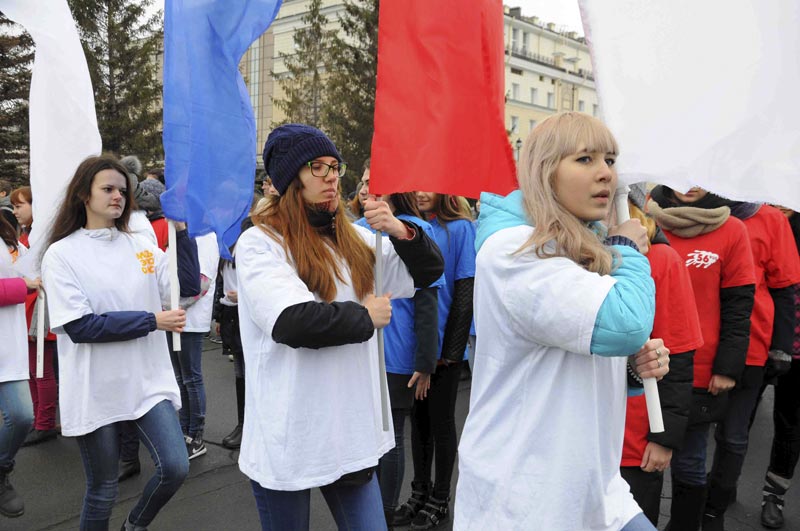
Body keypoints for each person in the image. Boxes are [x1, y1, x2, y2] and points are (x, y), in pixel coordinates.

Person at [455, 112, 669, 531]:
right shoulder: (514, 251)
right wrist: (625, 247)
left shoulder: (582, 244)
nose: (606, 173)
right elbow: (625, 322)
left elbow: (573, 349)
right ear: (544, 171)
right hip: (527, 497)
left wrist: (629, 367)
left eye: (610, 159)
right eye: (585, 159)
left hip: (594, 488)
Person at [236, 124, 444, 531]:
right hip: (290, 432)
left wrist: (402, 231)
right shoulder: (261, 243)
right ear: (288, 178)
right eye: (317, 167)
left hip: (349, 433)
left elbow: (427, 273)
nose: (332, 175)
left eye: (335, 166)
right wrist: (365, 318)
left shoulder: (355, 241)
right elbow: (292, 322)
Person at [41, 155, 201, 530]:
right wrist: (152, 321)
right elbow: (81, 327)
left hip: (147, 382)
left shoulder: (140, 245)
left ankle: (135, 525)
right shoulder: (62, 254)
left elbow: (186, 288)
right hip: (95, 387)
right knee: (103, 489)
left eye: (123, 190)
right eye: (108, 189)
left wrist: (181, 230)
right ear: (83, 194)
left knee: (175, 467)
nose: (118, 196)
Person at [647, 185, 756, 531]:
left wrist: (727, 367)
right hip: (641, 366)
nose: (688, 186)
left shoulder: (732, 230)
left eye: (697, 178)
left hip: (697, 367)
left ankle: (684, 525)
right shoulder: (643, 221)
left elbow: (739, 305)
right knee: (641, 460)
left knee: (690, 462)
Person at [354, 192, 443, 525]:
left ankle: (385, 512)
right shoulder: (355, 229)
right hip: (362, 348)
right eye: (363, 183)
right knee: (366, 433)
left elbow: (427, 297)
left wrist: (425, 361)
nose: (365, 190)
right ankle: (366, 511)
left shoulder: (416, 230)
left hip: (398, 350)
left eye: (375, 186)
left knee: (391, 435)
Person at [620, 193, 704, 527]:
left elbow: (680, 355)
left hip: (636, 439)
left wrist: (663, 439)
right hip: (581, 438)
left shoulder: (662, 260)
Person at [399, 191, 475, 530]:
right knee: (419, 422)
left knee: (441, 421)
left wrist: (448, 353)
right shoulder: (414, 227)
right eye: (416, 186)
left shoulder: (459, 229)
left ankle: (441, 498)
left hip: (445, 349)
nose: (421, 192)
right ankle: (420, 492)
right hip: (418, 347)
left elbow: (464, 292)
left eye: (429, 185)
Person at [759, 205, 800, 529]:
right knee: (735, 420)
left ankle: (774, 494)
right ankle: (722, 484)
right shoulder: (752, 213)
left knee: (789, 423)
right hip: (755, 337)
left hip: (797, 345)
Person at [10, 186, 60, 446]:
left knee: (42, 368)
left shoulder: (42, 235)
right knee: (33, 368)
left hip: (41, 306)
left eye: (20, 205)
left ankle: (45, 422)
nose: (15, 211)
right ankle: (38, 418)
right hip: (29, 305)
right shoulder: (28, 234)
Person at [170, 232, 218, 460]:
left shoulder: (206, 235)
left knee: (191, 377)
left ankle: (196, 435)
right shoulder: (180, 232)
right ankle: (184, 430)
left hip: (191, 318)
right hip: (173, 316)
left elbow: (203, 282)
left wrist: (173, 306)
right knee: (180, 377)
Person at [0, 215, 35, 518]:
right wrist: (22, 286)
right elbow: (20, 283)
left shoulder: (6, 232)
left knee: (22, 416)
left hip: (8, 348)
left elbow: (27, 269)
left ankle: (1, 469)